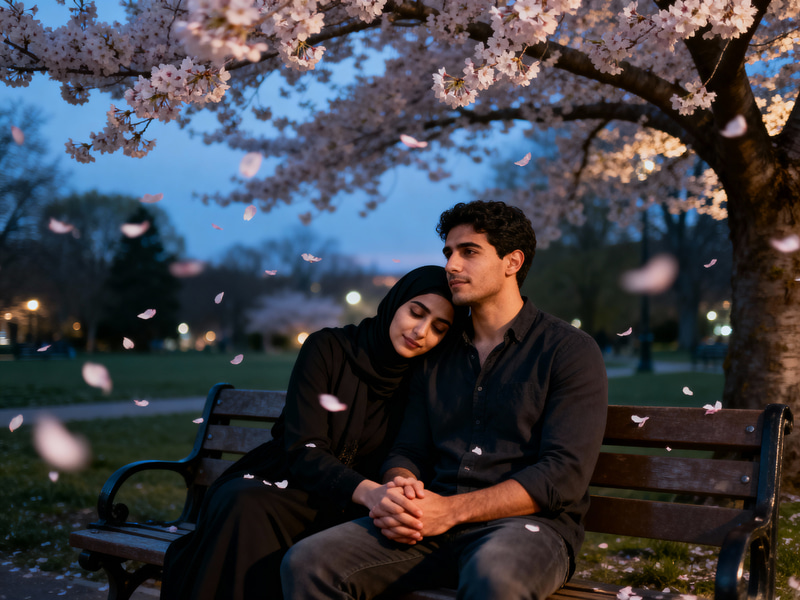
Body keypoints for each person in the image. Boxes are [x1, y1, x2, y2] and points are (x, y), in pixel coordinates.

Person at [281, 200, 609, 600]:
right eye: (449, 253)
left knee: (495, 579)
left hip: (528, 528)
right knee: (309, 562)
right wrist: (401, 489)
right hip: (430, 521)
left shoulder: (567, 350)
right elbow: (408, 447)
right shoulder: (438, 354)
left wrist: (451, 511)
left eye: (469, 251)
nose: (452, 265)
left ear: (512, 262)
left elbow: (563, 475)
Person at [160, 265, 463, 600]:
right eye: (415, 312)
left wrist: (392, 491)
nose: (421, 331)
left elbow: (411, 453)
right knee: (243, 503)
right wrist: (368, 493)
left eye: (438, 328)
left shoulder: (425, 380)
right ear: (395, 303)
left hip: (358, 510)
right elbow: (304, 447)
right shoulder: (329, 348)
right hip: (291, 482)